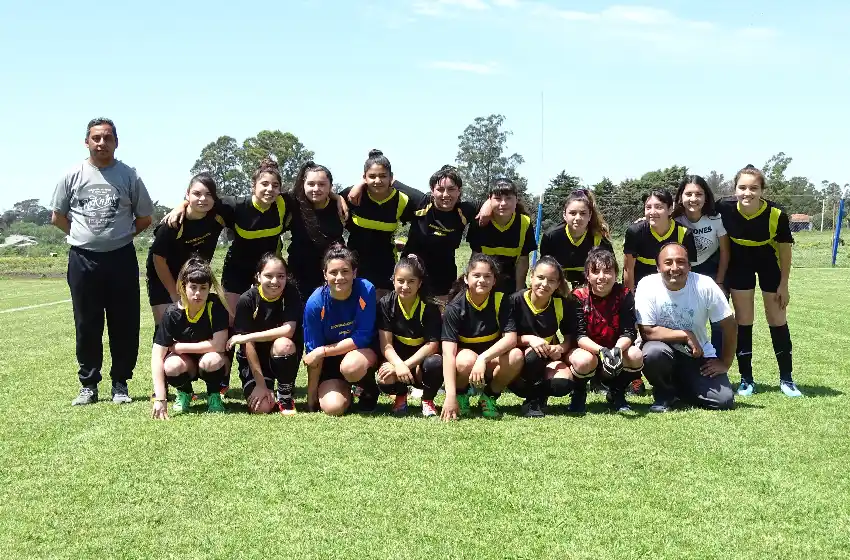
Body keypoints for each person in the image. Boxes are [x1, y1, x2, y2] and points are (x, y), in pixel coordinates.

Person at [50, 117, 153, 406]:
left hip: (121, 258)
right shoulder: (72, 175)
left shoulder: (129, 176)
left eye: (107, 138)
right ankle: (88, 385)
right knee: (87, 323)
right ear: (86, 142)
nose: (101, 143)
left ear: (116, 142)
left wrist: (117, 236)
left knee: (124, 322)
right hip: (83, 259)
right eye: (96, 138)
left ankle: (120, 383)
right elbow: (58, 217)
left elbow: (145, 218)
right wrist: (86, 237)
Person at [164, 159, 348, 315]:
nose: (270, 189)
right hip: (237, 271)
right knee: (231, 320)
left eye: (275, 186)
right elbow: (205, 201)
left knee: (265, 320)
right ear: (253, 186)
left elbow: (315, 190)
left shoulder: (284, 203)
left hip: (268, 273)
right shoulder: (236, 206)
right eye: (264, 184)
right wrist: (183, 203)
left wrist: (337, 197)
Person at [716, 164, 801, 397]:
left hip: (768, 263)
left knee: (777, 319)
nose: (747, 193)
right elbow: (694, 212)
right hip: (739, 263)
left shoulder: (776, 214)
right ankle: (746, 380)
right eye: (742, 187)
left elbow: (785, 252)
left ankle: (787, 379)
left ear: (762, 190)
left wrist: (784, 284)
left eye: (753, 188)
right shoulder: (723, 207)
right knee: (744, 320)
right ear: (734, 189)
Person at [635, 243, 737, 412]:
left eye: (681, 262)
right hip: (661, 349)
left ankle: (679, 388)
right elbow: (647, 331)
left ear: (689, 266)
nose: (674, 268)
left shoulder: (705, 285)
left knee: (723, 401)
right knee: (653, 353)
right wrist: (685, 335)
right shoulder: (647, 285)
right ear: (658, 267)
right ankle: (664, 393)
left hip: (697, 355)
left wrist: (725, 362)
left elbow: (730, 324)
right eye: (668, 262)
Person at [508, 257, 596, 418]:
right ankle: (531, 401)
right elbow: (506, 338)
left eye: (551, 280)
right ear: (531, 276)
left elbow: (569, 337)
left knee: (562, 384)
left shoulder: (561, 303)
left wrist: (560, 348)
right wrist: (529, 339)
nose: (544, 284)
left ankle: (541, 395)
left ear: (557, 284)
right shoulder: (514, 301)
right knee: (534, 355)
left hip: (547, 356)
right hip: (518, 358)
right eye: (540, 278)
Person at [440, 254, 524, 420]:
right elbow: (448, 354)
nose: (482, 280)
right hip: (465, 361)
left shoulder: (501, 300)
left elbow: (511, 339)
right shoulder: (454, 307)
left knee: (516, 356)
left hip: (490, 358)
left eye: (487, 276)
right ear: (466, 278)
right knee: (467, 360)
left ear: (494, 281)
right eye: (476, 275)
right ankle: (461, 395)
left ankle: (489, 397)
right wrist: (450, 396)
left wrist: (483, 359)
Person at [302, 245, 380, 416]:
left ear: (354, 273)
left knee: (351, 367)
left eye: (345, 271)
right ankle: (348, 392)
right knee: (333, 408)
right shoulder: (315, 304)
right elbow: (312, 355)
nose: (339, 277)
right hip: (330, 363)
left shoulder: (366, 290)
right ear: (325, 274)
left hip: (361, 355)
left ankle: (368, 390)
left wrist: (323, 351)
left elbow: (363, 338)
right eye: (333, 272)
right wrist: (311, 397)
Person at [150, 257, 231, 419]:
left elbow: (219, 345)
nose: (198, 293)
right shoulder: (172, 313)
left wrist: (180, 347)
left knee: (212, 360)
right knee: (171, 364)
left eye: (203, 288)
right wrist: (160, 397)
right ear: (183, 287)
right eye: (193, 287)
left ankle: (214, 395)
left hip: (211, 362)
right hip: (186, 364)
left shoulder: (214, 306)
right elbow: (157, 357)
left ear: (209, 289)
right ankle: (185, 392)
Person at [227, 254, 302, 415]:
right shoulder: (247, 300)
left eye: (280, 276)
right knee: (262, 409)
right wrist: (260, 384)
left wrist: (249, 336)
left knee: (284, 344)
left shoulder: (291, 293)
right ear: (258, 277)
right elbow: (248, 346)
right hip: (255, 361)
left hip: (282, 354)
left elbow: (288, 330)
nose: (275, 281)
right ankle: (265, 386)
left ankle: (285, 396)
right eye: (268, 276)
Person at [571, 248, 644, 413]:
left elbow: (628, 332)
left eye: (608, 271)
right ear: (587, 275)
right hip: (588, 351)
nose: (602, 277)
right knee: (583, 360)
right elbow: (579, 335)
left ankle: (617, 393)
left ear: (616, 274)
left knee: (635, 355)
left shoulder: (624, 295)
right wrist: (602, 351)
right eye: (595, 272)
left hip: (614, 350)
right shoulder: (578, 296)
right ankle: (578, 394)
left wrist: (617, 350)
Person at [146, 173, 225, 325]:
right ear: (187, 195)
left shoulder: (219, 214)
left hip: (193, 275)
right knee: (166, 323)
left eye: (208, 194)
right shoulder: (173, 224)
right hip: (163, 276)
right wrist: (174, 294)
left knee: (192, 324)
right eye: (197, 194)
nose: (203, 198)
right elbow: (158, 259)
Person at [341, 150, 418, 300]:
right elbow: (330, 198)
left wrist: (408, 248)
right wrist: (341, 196)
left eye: (383, 176)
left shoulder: (402, 200)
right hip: (356, 263)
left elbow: (423, 205)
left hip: (385, 264)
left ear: (391, 177)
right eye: (372, 176)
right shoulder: (354, 195)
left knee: (383, 307)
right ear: (364, 178)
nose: (378, 180)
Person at [376, 255, 443, 416]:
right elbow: (386, 345)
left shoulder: (429, 306)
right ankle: (400, 397)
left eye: (411, 281)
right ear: (393, 281)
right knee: (383, 377)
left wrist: (405, 365)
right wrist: (398, 365)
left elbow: (432, 345)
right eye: (400, 281)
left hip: (420, 364)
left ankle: (427, 400)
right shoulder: (385, 304)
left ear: (419, 283)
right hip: (397, 360)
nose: (405, 286)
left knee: (436, 363)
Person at [672, 175, 730, 355]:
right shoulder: (674, 219)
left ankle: (716, 359)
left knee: (718, 321)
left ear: (706, 197)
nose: (693, 199)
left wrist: (719, 282)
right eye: (688, 194)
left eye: (699, 194)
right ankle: (685, 358)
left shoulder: (715, 218)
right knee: (684, 317)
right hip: (684, 271)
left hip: (710, 269)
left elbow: (725, 252)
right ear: (681, 196)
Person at [466, 178, 537, 294]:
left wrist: (518, 293)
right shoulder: (479, 222)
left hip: (511, 282)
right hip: (485, 281)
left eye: (509, 198)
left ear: (516, 200)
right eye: (498, 199)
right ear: (490, 200)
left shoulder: (525, 223)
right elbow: (475, 258)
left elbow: (523, 261)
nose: (503, 203)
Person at [287, 161, 346, 298]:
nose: (316, 189)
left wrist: (338, 197)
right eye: (311, 184)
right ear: (303, 185)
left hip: (332, 276)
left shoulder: (339, 207)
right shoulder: (294, 204)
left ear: (330, 186)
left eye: (322, 184)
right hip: (299, 276)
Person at [623, 189, 698, 293]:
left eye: (659, 207)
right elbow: (628, 269)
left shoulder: (684, 233)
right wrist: (630, 299)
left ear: (670, 210)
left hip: (672, 289)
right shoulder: (635, 232)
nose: (652, 212)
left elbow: (689, 270)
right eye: (648, 207)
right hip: (642, 289)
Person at [539, 189, 613, 288]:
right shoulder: (551, 237)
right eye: (573, 213)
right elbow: (545, 271)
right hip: (559, 288)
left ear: (590, 215)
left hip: (590, 288)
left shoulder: (599, 237)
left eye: (583, 213)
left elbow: (610, 271)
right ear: (564, 215)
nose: (578, 218)